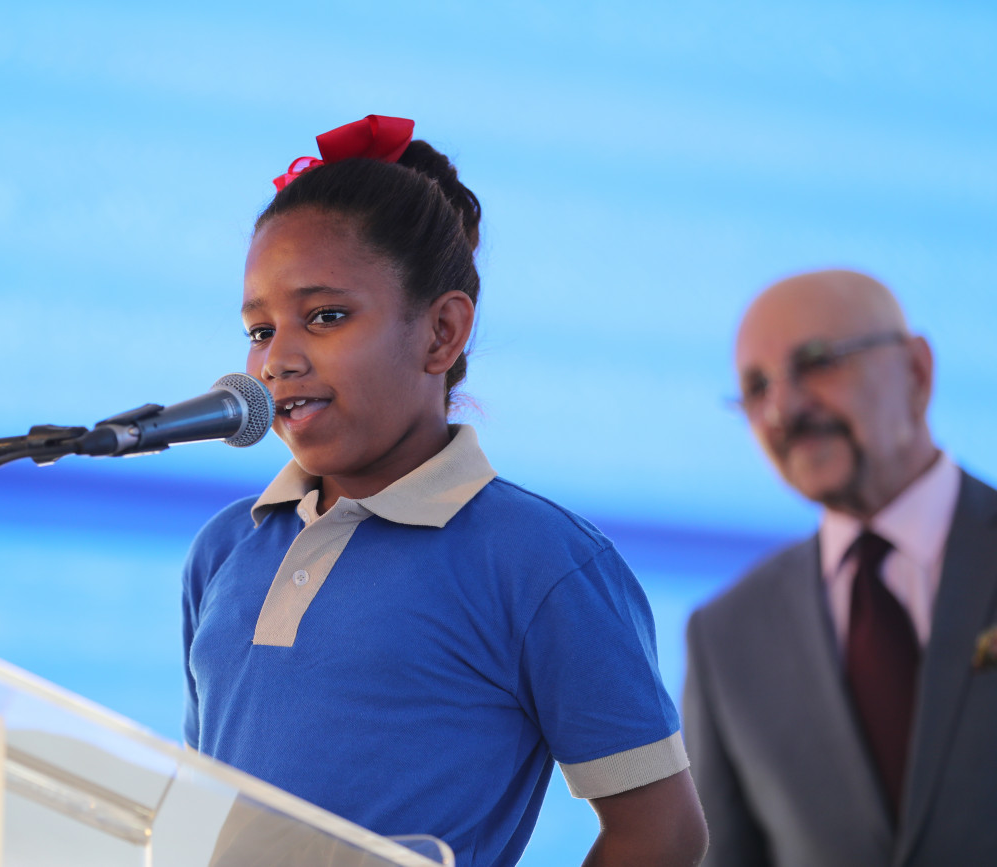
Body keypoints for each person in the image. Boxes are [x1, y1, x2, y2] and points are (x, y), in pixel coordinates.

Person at [182, 115, 707, 867]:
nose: (277, 360)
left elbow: (662, 832)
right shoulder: (226, 547)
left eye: (326, 316)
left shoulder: (540, 560)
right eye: (260, 329)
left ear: (442, 333)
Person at [683, 269, 997, 867]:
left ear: (916, 371)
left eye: (818, 362)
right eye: (756, 387)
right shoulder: (726, 635)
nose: (784, 408)